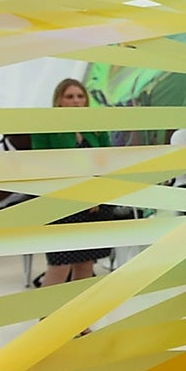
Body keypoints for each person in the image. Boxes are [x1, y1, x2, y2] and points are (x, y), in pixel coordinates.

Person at [31, 77, 111, 287]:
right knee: (59, 267)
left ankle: (78, 318)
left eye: (80, 96)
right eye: (69, 97)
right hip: (61, 204)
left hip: (93, 205)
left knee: (85, 264)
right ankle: (48, 319)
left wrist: (96, 195)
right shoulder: (45, 126)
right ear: (59, 100)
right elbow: (43, 166)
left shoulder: (96, 127)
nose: (76, 101)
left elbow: (107, 162)